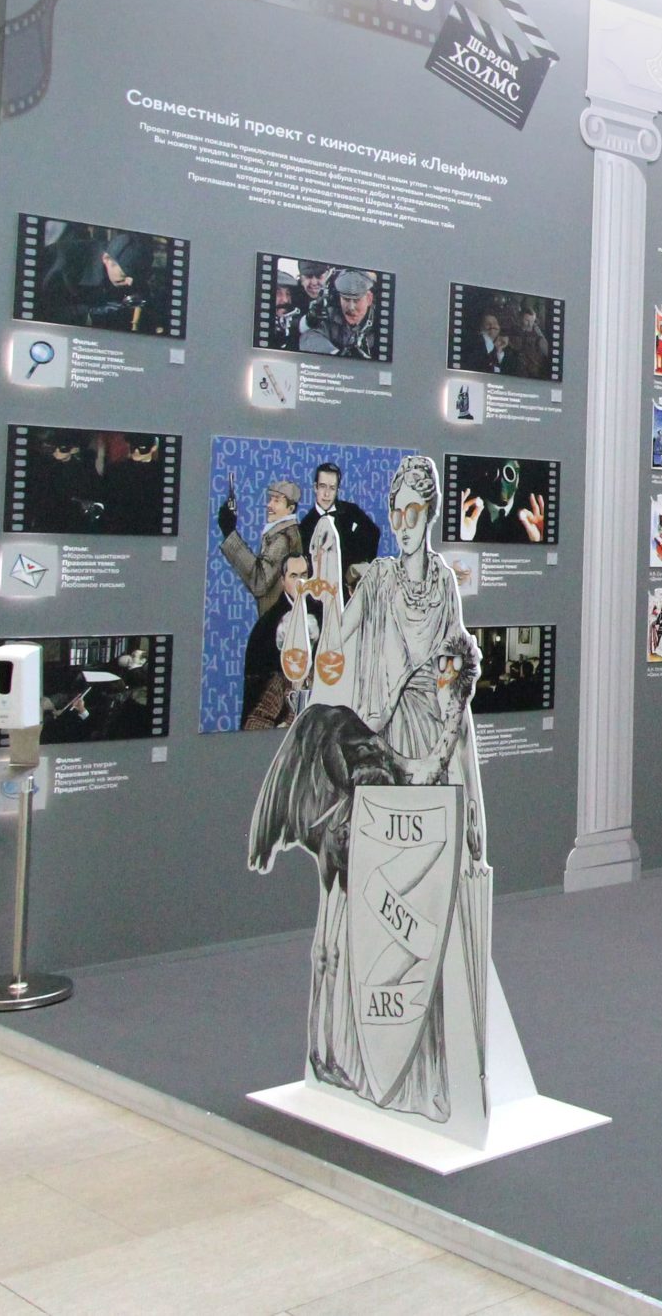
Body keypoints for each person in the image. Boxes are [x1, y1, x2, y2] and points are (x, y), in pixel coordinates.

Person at [248, 454, 489, 1120]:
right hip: (380, 755)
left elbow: (455, 677)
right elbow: (340, 639)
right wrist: (315, 623)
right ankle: (349, 1055)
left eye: (415, 511)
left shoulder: (443, 586)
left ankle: (423, 1079)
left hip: (431, 751)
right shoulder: (378, 579)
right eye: (396, 511)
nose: (404, 522)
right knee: (367, 901)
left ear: (430, 514)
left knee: (426, 907)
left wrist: (464, 781)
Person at [219, 479, 308, 728]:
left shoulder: (283, 539)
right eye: (270, 499)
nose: (269, 505)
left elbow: (259, 581)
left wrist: (230, 535)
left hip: (276, 642)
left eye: (276, 500)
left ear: (290, 508)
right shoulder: (279, 534)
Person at [300, 462, 382, 593]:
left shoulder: (351, 511)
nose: (327, 494)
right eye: (323, 486)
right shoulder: (305, 526)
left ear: (337, 490)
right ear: (315, 487)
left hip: (351, 591)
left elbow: (373, 533)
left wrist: (359, 565)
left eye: (332, 488)